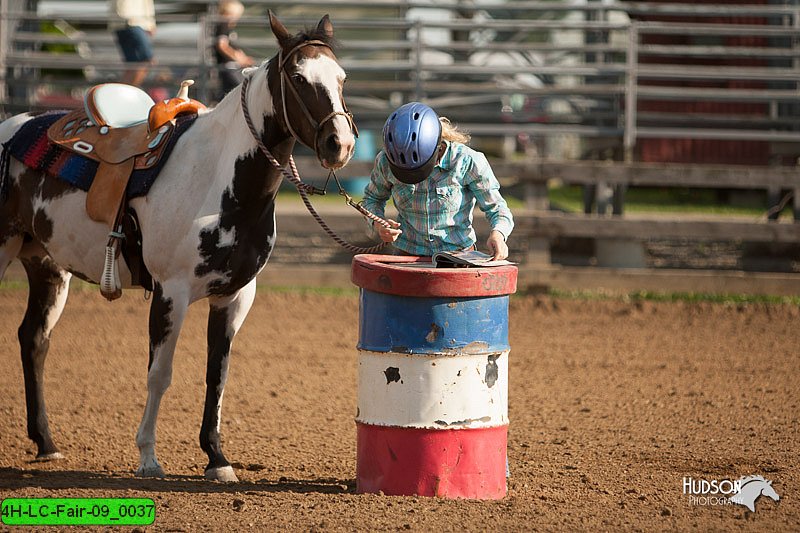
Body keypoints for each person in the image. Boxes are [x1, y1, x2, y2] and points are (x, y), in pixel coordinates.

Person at [362, 102, 514, 260]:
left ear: (438, 147)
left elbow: (497, 208)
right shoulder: (385, 161)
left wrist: (498, 234)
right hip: (407, 254)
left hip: (458, 255)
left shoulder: (467, 161)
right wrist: (379, 225)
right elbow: (372, 199)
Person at [109, 0, 156, 86]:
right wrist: (150, 23)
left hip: (130, 22)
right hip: (131, 22)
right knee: (144, 61)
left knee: (134, 66)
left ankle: (121, 94)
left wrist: (150, 23)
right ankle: (125, 93)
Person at [214, 0, 255, 97]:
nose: (236, 19)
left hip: (232, 67)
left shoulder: (226, 27)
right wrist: (239, 59)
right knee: (235, 91)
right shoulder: (223, 25)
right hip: (229, 66)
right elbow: (222, 46)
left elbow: (231, 46)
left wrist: (243, 57)